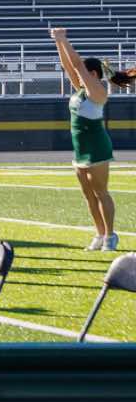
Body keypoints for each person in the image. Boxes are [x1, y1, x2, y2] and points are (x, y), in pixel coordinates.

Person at [52, 25, 132, 251]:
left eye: (84, 74)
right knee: (88, 195)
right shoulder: (81, 90)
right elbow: (69, 67)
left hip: (97, 148)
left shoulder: (98, 92)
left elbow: (78, 65)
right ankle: (99, 234)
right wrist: (57, 43)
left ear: (93, 75)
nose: (78, 76)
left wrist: (64, 39)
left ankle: (110, 236)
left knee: (101, 192)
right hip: (80, 149)